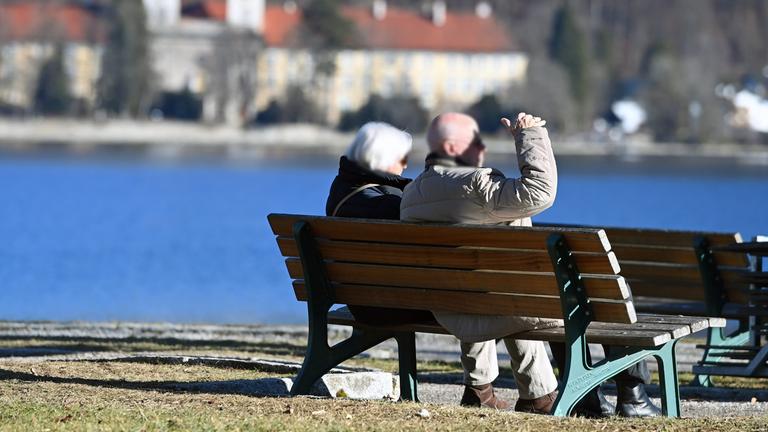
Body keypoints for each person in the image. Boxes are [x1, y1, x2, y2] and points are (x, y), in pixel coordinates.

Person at [400, 112, 661, 417]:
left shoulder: (412, 196)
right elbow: (540, 191)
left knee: (555, 290)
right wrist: (530, 135)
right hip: (511, 305)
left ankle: (582, 395)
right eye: (476, 141)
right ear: (452, 147)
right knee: (599, 291)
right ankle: (633, 396)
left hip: (453, 307)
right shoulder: (477, 185)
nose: (482, 147)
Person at [325, 122, 509, 410]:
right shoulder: (390, 205)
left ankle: (482, 391)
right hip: (394, 303)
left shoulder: (342, 190)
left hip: (363, 298)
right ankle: (482, 390)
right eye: (402, 159)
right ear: (381, 160)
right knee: (475, 293)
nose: (406, 164)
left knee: (471, 289)